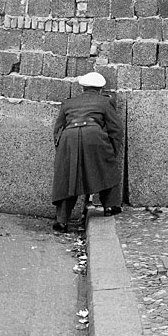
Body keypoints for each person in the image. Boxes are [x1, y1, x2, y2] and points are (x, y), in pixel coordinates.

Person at [51, 72, 123, 232]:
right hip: (94, 135)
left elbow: (58, 128)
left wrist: (62, 150)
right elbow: (116, 129)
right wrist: (111, 151)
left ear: (82, 88)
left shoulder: (68, 103)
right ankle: (110, 206)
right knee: (107, 168)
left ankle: (62, 220)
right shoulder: (105, 102)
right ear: (100, 89)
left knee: (68, 177)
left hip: (69, 137)